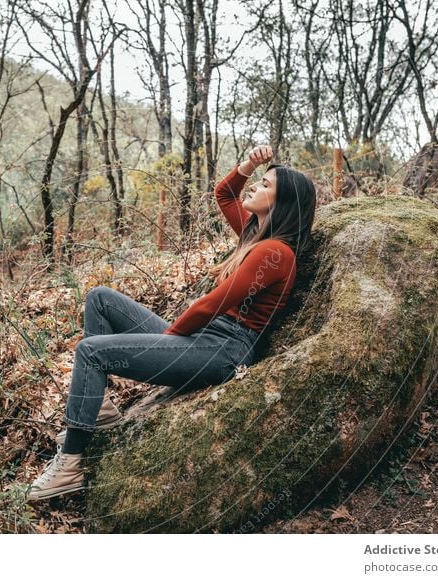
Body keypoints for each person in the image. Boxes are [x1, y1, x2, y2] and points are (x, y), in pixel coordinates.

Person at [25, 145, 317, 501]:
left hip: (223, 351)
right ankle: (98, 410)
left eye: (266, 184)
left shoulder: (275, 253)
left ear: (282, 203)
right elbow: (224, 194)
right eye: (258, 180)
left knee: (91, 352)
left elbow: (215, 303)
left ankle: (70, 464)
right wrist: (248, 164)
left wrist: (168, 339)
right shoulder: (255, 235)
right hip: (207, 339)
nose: (255, 186)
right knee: (100, 298)